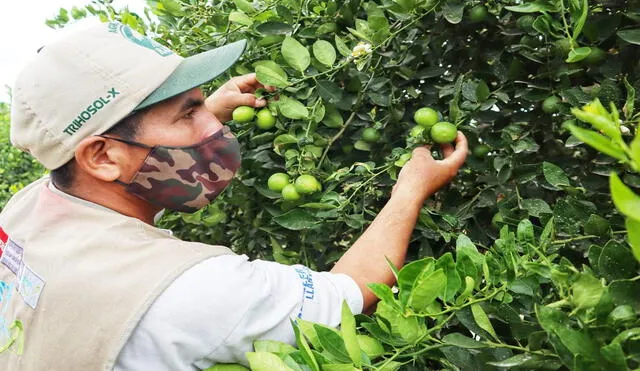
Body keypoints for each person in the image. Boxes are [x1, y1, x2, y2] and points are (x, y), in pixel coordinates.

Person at [0, 20, 467, 370]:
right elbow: (353, 295)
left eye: (205, 106)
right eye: (188, 114)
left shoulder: (27, 210)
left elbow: (109, 185)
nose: (215, 128)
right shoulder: (194, 292)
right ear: (101, 156)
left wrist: (197, 112)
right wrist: (410, 190)